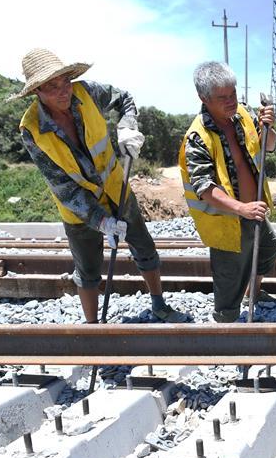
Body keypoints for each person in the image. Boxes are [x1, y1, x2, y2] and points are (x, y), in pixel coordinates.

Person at [17, 48, 187, 324]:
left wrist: (128, 125)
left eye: (65, 83)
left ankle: (159, 305)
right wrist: (101, 222)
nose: (63, 92)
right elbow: (63, 187)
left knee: (143, 246)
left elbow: (125, 99)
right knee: (87, 270)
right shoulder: (32, 130)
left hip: (116, 189)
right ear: (37, 91)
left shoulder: (86, 93)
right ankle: (93, 329)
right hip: (78, 210)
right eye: (51, 88)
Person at [179, 61, 276, 323]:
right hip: (226, 219)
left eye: (233, 94)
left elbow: (267, 147)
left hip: (252, 210)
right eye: (222, 98)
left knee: (269, 248)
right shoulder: (197, 137)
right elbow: (204, 187)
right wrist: (241, 208)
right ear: (204, 98)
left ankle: (253, 294)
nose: (231, 101)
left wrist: (269, 128)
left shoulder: (242, 116)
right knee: (228, 283)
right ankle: (227, 328)